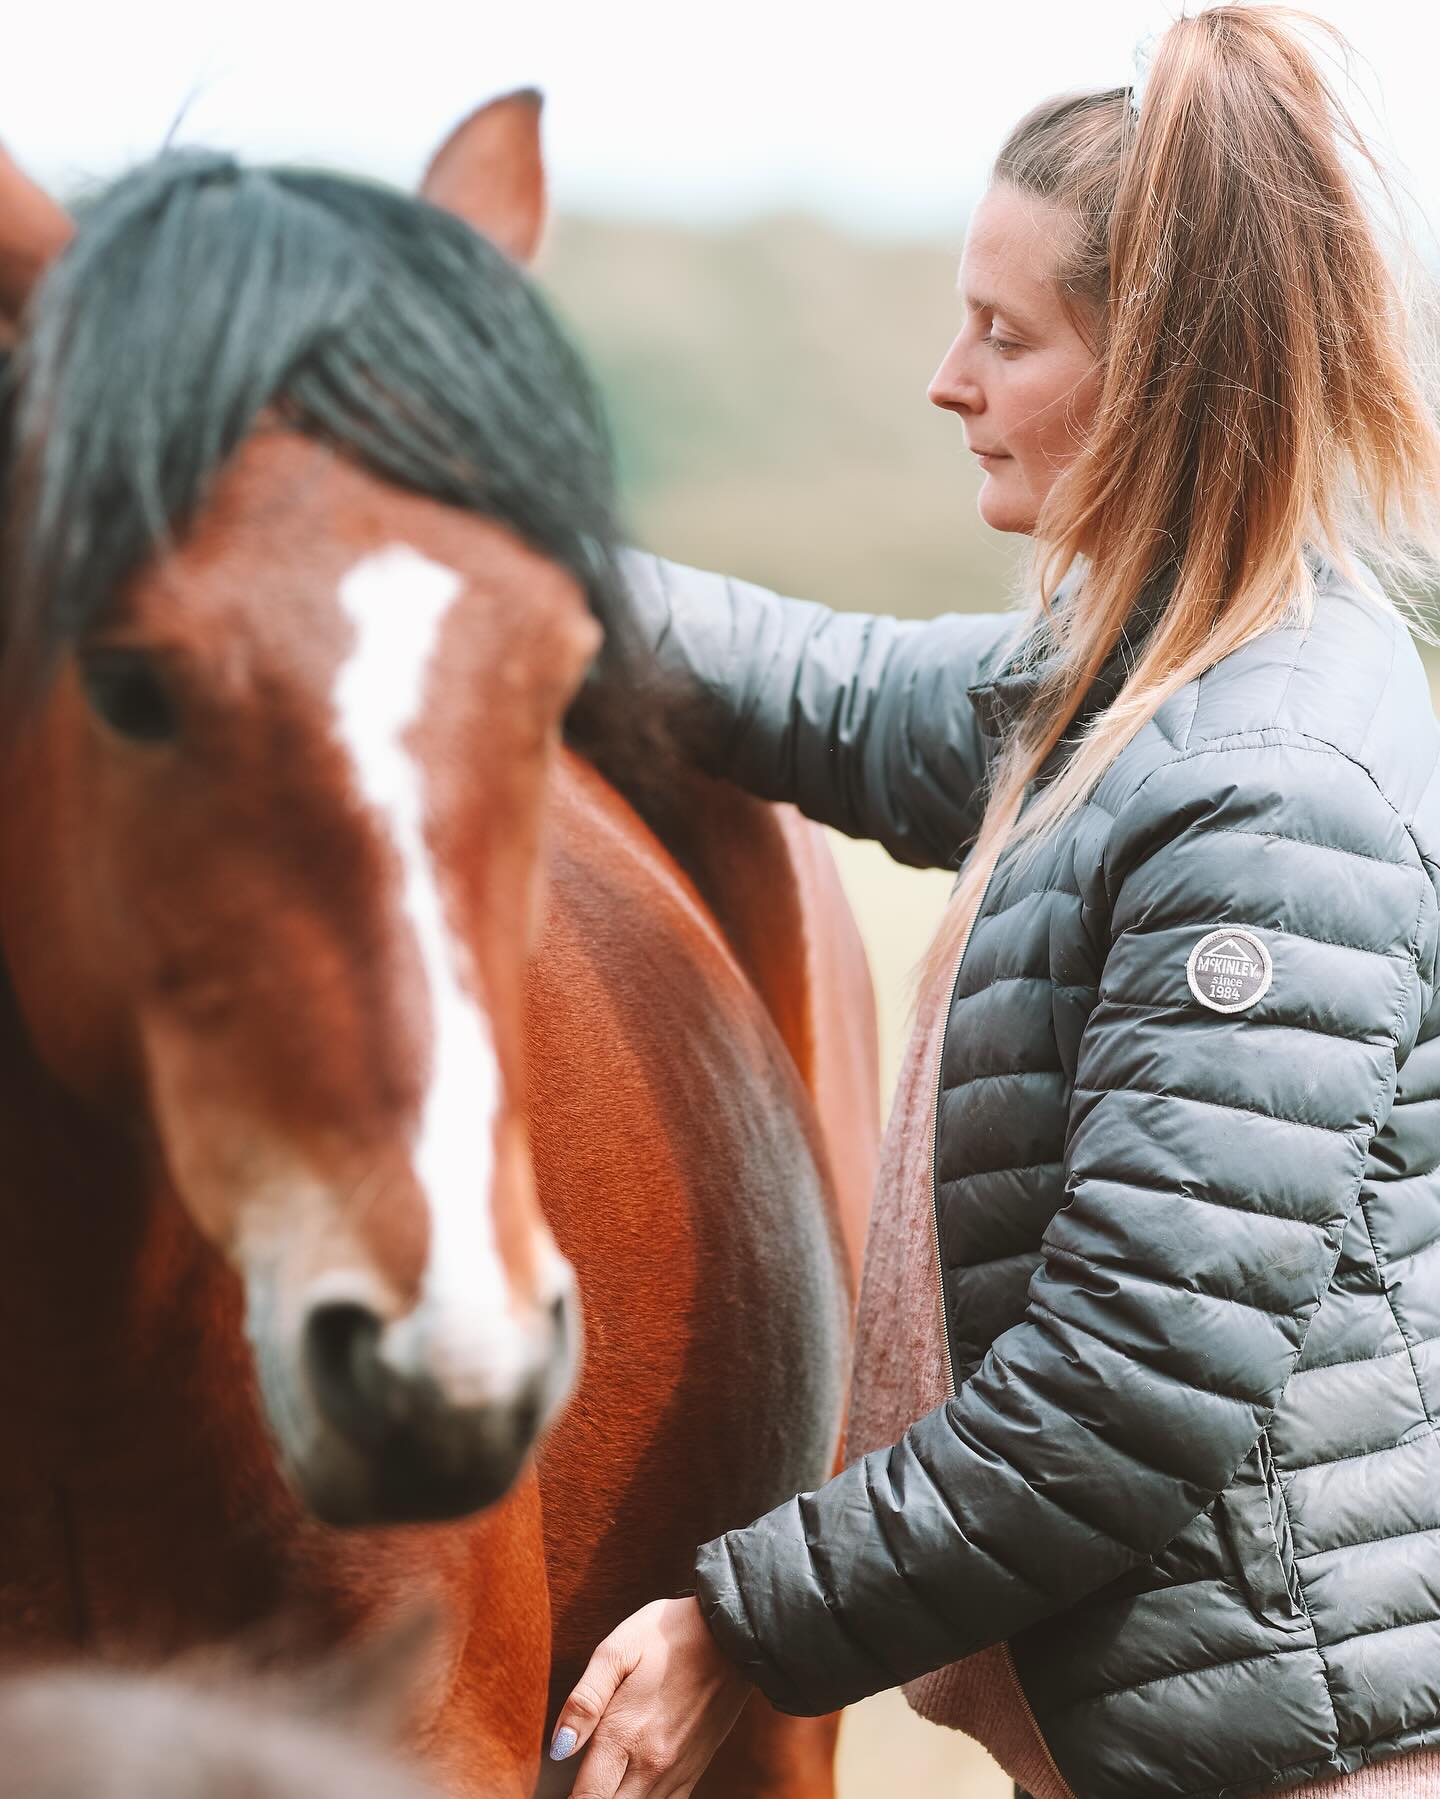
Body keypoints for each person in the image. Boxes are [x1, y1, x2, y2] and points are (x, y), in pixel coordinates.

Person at [549, 9, 1440, 1797]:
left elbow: (1132, 1388)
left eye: (1005, 335)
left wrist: (743, 1627)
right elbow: (822, 686)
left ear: (1165, 372)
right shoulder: (1138, 686)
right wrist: (483, 554)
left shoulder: (1268, 787)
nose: (948, 380)